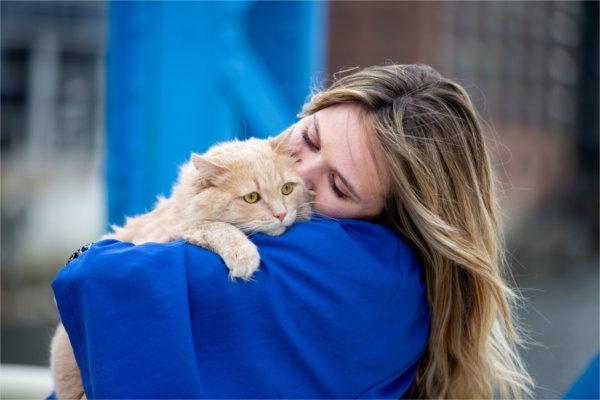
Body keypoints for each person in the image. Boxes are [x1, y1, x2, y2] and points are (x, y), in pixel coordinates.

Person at [52, 64, 533, 399]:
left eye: (338, 186)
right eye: (309, 138)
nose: (299, 180)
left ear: (395, 218)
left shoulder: (352, 264)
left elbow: (98, 281)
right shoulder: (399, 279)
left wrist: (92, 252)